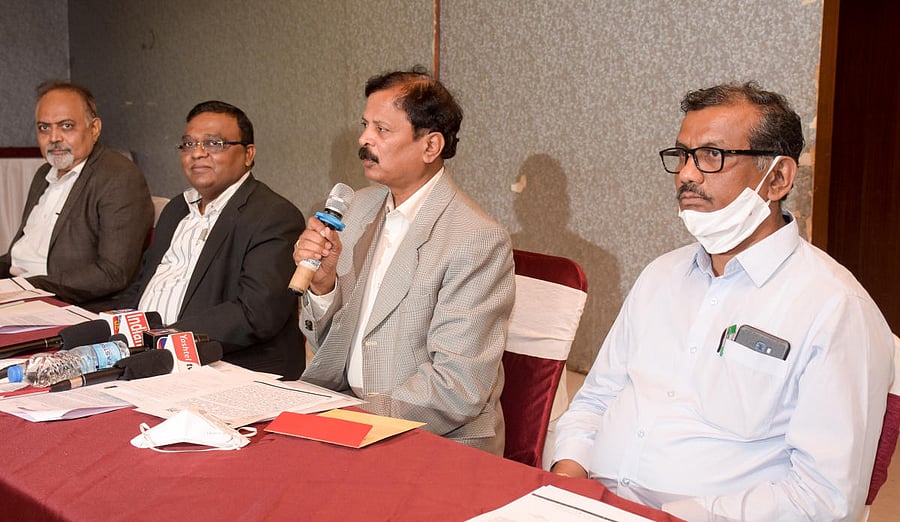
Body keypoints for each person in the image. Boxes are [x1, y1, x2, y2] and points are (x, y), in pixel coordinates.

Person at [551, 82, 894, 521]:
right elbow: (596, 399)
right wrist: (566, 481)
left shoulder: (836, 309)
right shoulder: (662, 275)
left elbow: (822, 497)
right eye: (682, 155)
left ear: (778, 178)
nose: (687, 175)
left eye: (713, 155)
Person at [295, 67, 515, 455]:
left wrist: (351, 419)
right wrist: (323, 286)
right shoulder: (359, 209)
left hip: (436, 438)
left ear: (430, 146)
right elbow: (326, 343)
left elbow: (457, 386)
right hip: (349, 411)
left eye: (382, 129)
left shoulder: (476, 239)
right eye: (365, 125)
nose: (363, 139)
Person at [115, 101, 305, 379]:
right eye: (189, 144)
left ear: (248, 154)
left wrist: (167, 337)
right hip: (148, 355)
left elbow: (256, 314)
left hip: (225, 366)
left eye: (213, 144)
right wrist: (116, 326)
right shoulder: (177, 209)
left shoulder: (275, 216)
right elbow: (145, 285)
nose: (198, 154)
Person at [0, 80, 153, 306]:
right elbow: (21, 253)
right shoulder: (44, 173)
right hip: (20, 292)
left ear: (94, 128)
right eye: (44, 127)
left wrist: (30, 288)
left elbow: (113, 273)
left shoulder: (119, 176)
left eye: (66, 126)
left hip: (66, 304)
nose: (54, 138)